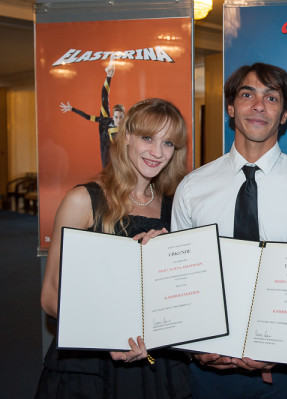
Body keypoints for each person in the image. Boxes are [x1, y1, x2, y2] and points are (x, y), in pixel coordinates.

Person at [171, 62, 287, 399]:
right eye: (247, 94)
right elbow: (183, 283)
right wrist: (193, 347)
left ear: (285, 115)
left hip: (286, 376)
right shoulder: (193, 189)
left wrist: (283, 350)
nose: (258, 106)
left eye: (271, 98)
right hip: (207, 372)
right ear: (231, 107)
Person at [36, 98, 191, 399]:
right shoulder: (84, 200)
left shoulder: (176, 209)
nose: (158, 152)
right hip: (90, 365)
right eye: (148, 138)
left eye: (169, 143)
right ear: (127, 137)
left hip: (157, 364)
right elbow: (51, 296)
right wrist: (106, 336)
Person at [60, 58, 126, 168]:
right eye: (116, 117)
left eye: (121, 117)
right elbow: (87, 117)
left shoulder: (126, 126)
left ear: (124, 117)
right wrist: (72, 109)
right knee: (104, 100)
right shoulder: (106, 120)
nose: (119, 120)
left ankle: (109, 74)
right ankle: (109, 75)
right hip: (104, 139)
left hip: (115, 152)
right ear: (113, 117)